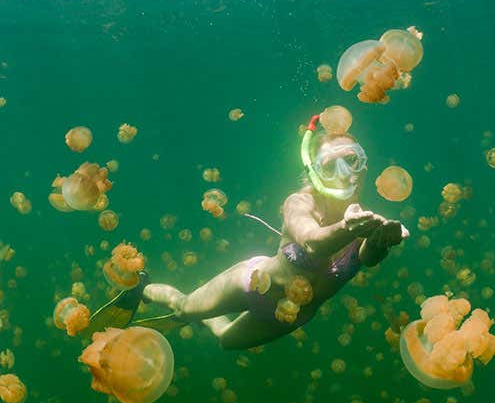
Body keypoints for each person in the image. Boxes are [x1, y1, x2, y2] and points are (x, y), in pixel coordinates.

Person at [88, 113, 407, 349]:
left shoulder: (365, 220)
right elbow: (311, 243)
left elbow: (368, 258)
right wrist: (348, 226)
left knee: (226, 342)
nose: (342, 173)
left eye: (351, 160)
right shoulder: (300, 202)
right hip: (250, 285)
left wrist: (382, 241)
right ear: (314, 171)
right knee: (184, 308)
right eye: (329, 164)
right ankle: (141, 289)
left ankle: (206, 315)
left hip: (294, 315)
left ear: (364, 165)